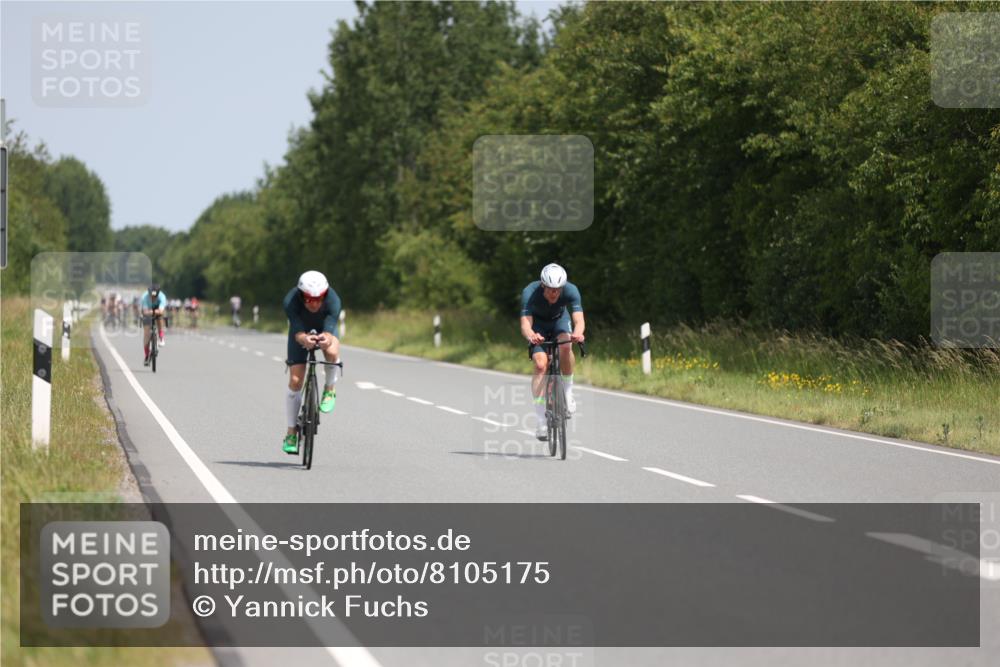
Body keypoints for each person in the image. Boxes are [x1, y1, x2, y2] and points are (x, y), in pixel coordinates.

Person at [520, 263, 585, 440]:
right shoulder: (529, 292)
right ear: (543, 285)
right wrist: (532, 335)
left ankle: (568, 391)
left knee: (565, 345)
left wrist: (578, 334)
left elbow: (579, 320)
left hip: (559, 321)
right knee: (541, 365)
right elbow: (525, 323)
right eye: (550, 289)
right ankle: (541, 420)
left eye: (557, 290)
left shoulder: (571, 290)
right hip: (538, 326)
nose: (554, 293)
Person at [281, 271, 342, 454]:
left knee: (331, 351)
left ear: (325, 294)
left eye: (319, 299)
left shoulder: (334, 300)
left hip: (324, 329)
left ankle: (330, 389)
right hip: (300, 333)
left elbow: (330, 330)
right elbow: (297, 331)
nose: (314, 303)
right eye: (308, 299)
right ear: (301, 295)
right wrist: (304, 339)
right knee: (295, 382)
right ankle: (291, 432)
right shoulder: (290, 301)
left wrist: (327, 338)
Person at [140, 283, 168, 365]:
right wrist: (150, 312)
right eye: (151, 296)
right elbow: (145, 312)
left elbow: (161, 310)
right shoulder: (144, 297)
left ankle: (161, 337)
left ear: (158, 294)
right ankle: (146, 355)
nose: (152, 298)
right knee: (146, 334)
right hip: (147, 311)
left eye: (154, 296)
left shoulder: (162, 297)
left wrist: (154, 312)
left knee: (159, 317)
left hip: (156, 310)